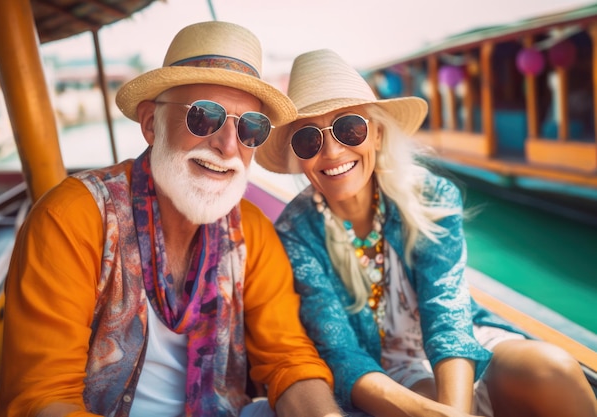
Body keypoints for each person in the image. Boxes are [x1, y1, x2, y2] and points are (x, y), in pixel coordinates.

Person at [0, 23, 344, 417]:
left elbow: (287, 359)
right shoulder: (73, 216)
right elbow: (44, 396)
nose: (228, 145)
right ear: (150, 124)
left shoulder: (253, 230)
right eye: (205, 117)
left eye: (250, 127)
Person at [255, 48, 597, 417]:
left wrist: (455, 411)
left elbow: (447, 310)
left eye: (348, 127)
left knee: (554, 369)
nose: (333, 150)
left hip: (465, 342)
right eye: (309, 139)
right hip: (386, 370)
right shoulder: (295, 231)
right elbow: (342, 354)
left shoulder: (430, 195)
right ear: (298, 156)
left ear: (378, 135)